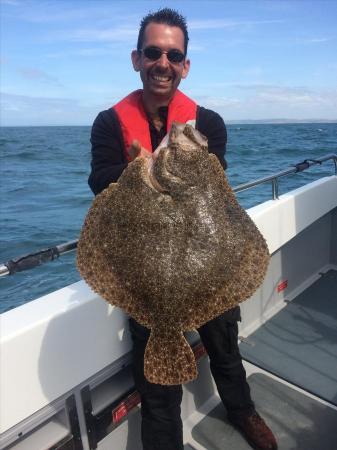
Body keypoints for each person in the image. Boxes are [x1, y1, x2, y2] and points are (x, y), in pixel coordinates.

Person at [88, 7, 277, 450]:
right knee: (157, 393)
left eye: (174, 55)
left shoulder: (207, 122)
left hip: (204, 262)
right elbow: (100, 180)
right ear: (136, 59)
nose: (163, 63)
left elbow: (217, 184)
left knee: (226, 352)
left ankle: (243, 412)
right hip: (145, 273)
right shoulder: (108, 123)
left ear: (185, 66)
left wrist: (159, 170)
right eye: (153, 52)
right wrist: (134, 174)